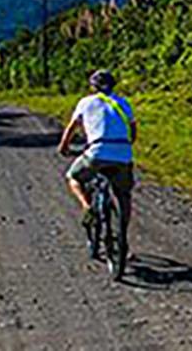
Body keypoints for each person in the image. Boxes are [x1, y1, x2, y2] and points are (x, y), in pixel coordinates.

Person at [57, 69, 138, 259]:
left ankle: (87, 206)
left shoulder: (85, 102)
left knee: (73, 177)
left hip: (96, 152)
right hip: (123, 154)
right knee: (123, 195)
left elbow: (72, 127)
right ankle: (122, 234)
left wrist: (63, 147)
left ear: (93, 87)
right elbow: (133, 132)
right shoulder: (123, 103)